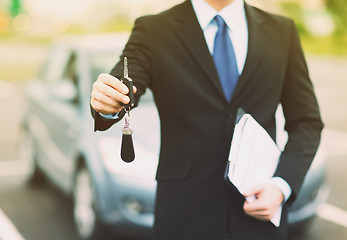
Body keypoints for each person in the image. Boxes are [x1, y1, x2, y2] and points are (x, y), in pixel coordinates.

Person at [90, 0, 323, 239]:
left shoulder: (282, 31)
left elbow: (307, 122)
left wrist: (281, 185)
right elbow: (126, 80)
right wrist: (109, 99)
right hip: (183, 217)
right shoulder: (153, 30)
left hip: (260, 214)